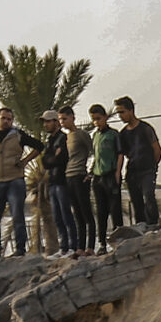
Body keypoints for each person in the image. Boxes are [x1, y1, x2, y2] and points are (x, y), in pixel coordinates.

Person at [0, 107, 42, 255]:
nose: (6, 121)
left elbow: (39, 146)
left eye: (9, 119)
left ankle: (20, 249)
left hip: (15, 180)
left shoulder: (18, 135)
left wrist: (25, 161)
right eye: (3, 118)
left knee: (17, 215)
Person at [115, 96, 161, 228]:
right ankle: (141, 228)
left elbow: (157, 150)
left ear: (131, 111)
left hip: (147, 171)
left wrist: (153, 166)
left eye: (122, 112)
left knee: (149, 198)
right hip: (132, 172)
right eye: (118, 113)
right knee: (137, 203)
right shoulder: (123, 134)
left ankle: (154, 226)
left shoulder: (145, 128)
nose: (120, 116)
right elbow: (122, 155)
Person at [37, 110, 77, 255]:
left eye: (48, 121)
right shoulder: (50, 141)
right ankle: (64, 246)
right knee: (57, 216)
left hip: (62, 181)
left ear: (56, 122)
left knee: (66, 214)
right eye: (45, 122)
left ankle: (73, 245)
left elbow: (60, 159)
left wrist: (52, 159)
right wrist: (52, 158)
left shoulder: (63, 139)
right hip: (52, 182)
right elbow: (45, 161)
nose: (46, 125)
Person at [61, 107, 94, 254]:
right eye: (60, 120)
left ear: (72, 117)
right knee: (78, 214)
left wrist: (91, 173)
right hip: (69, 177)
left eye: (64, 119)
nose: (62, 122)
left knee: (86, 212)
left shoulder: (81, 135)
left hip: (80, 175)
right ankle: (80, 247)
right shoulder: (66, 138)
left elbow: (94, 152)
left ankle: (91, 246)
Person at [87, 104, 121, 247]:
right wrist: (90, 172)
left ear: (105, 118)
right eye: (94, 120)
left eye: (99, 119)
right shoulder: (95, 135)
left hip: (110, 175)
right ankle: (101, 243)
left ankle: (119, 239)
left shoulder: (113, 134)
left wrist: (118, 173)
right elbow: (96, 156)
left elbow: (120, 154)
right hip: (98, 176)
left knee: (115, 209)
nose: (96, 122)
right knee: (101, 211)